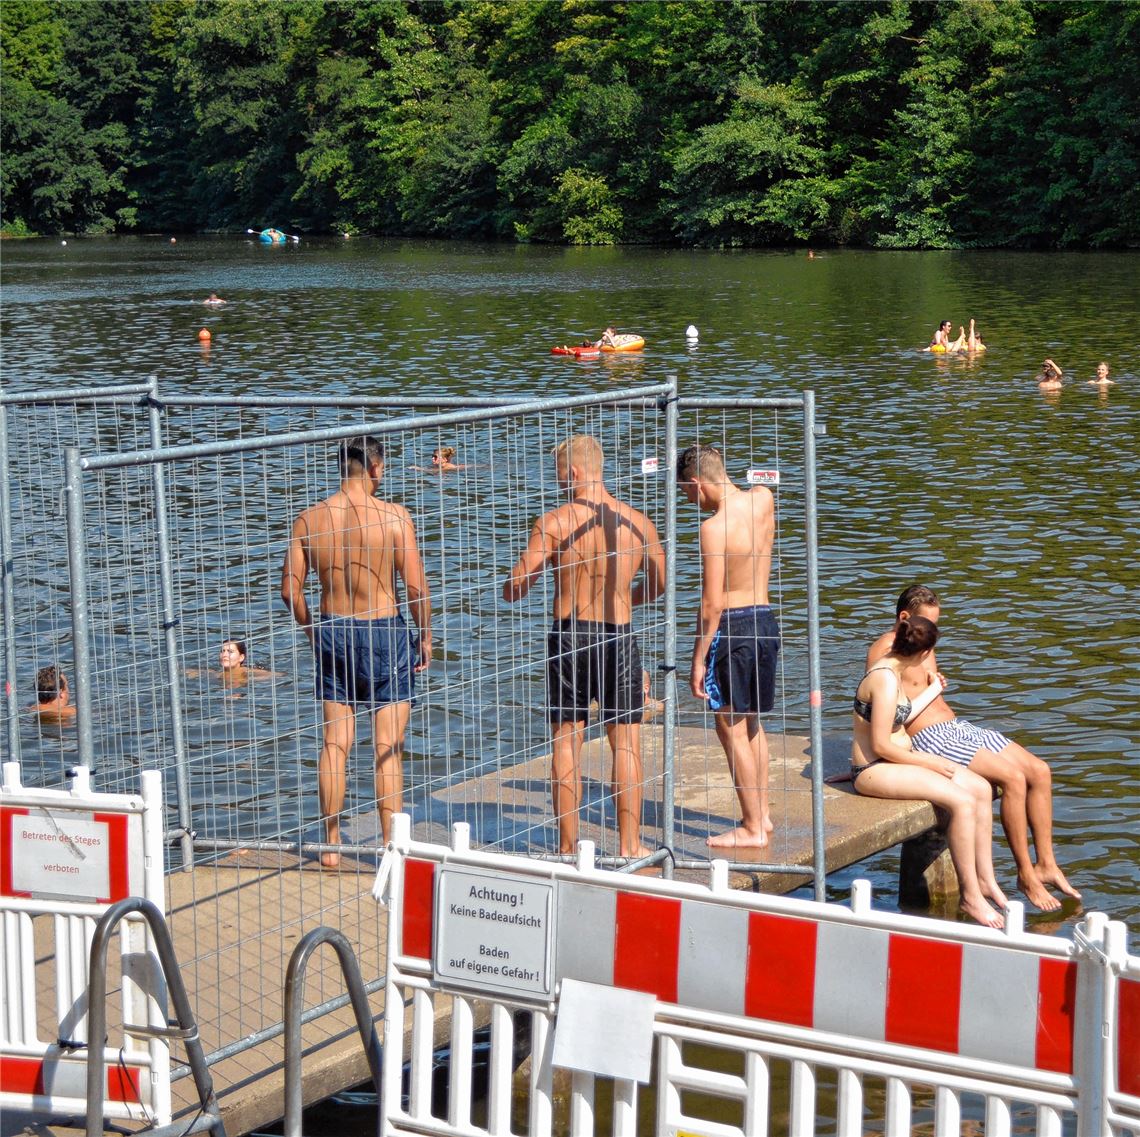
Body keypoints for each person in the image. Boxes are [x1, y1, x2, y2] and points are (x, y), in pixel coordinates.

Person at [868, 585, 1079, 911]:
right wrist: (875, 759)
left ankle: (1046, 864)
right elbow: (875, 712)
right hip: (931, 737)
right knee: (1012, 779)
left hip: (957, 727)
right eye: (929, 623)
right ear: (905, 617)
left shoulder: (924, 641)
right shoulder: (885, 652)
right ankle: (1025, 874)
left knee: (1039, 771)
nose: (934, 631)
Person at [503, 434, 665, 858]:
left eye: (559, 473)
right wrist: (626, 597)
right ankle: (630, 847)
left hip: (569, 636)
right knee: (625, 744)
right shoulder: (637, 523)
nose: (557, 481)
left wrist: (514, 578)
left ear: (573, 472)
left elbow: (517, 586)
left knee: (566, 743)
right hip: (618, 634)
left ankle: (567, 848)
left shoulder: (554, 522)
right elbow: (660, 584)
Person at [281, 435, 432, 866]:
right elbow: (416, 588)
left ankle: (331, 844)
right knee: (387, 746)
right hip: (383, 631)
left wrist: (313, 631)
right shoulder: (394, 516)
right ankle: (389, 848)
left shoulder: (309, 519)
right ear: (375, 468)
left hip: (333, 628)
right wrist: (425, 635)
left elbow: (289, 590)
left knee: (335, 744)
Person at [851, 615, 1005, 929]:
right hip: (874, 769)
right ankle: (970, 896)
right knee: (961, 802)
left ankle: (985, 880)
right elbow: (880, 744)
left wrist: (933, 690)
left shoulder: (893, 670)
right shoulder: (884, 679)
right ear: (924, 653)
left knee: (980, 788)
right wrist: (930, 762)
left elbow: (898, 717)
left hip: (898, 762)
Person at [677, 444, 780, 848]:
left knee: (729, 726)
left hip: (733, 627)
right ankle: (762, 815)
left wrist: (698, 659)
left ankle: (752, 828)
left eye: (687, 493)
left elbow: (712, 604)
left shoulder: (713, 528)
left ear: (697, 483)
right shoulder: (763, 499)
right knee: (751, 722)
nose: (690, 501)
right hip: (765, 620)